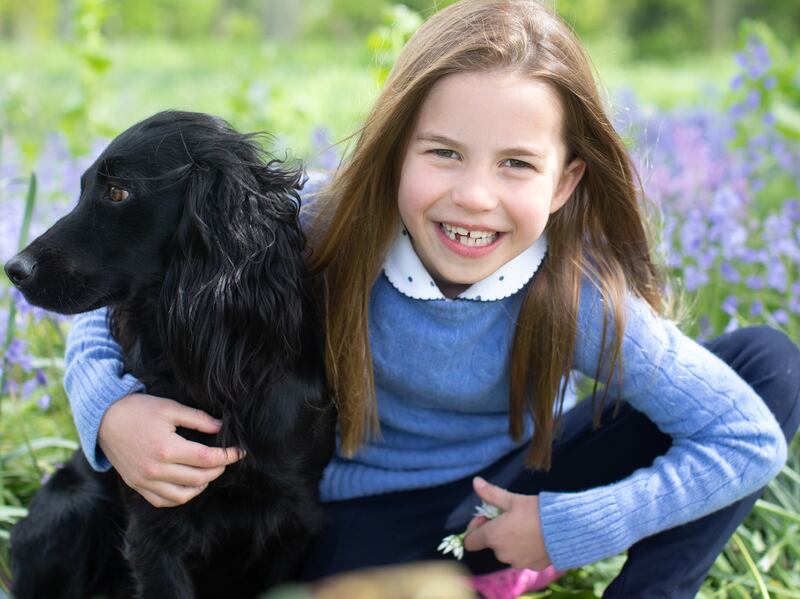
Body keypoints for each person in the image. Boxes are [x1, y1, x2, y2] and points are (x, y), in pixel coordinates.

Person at [63, 1, 800, 597]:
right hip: (354, 519)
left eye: (517, 164)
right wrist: (111, 411)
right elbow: (117, 283)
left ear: (565, 182)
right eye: (443, 152)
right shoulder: (326, 224)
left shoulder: (573, 290)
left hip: (507, 489)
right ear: (396, 152)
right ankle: (478, 576)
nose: (473, 196)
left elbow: (747, 438)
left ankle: (582, 576)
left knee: (769, 364)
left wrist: (571, 523)